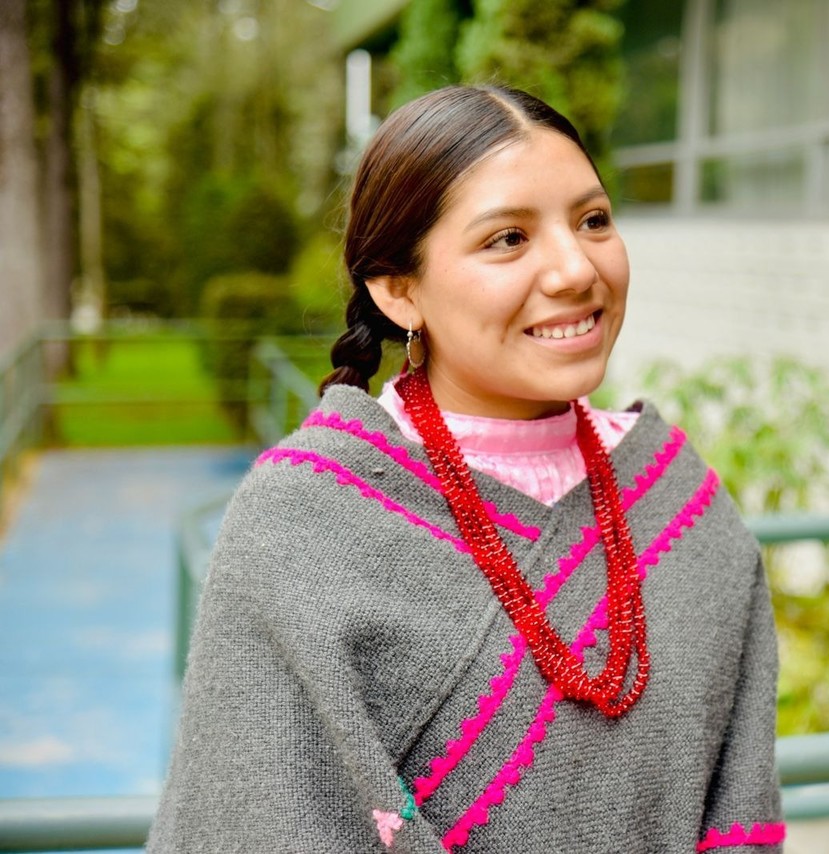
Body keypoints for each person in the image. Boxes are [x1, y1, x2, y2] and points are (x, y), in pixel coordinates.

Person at [148, 85, 784, 853]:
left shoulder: (681, 504)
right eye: (508, 239)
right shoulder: (302, 524)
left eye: (594, 220)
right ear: (398, 289)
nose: (575, 269)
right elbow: (260, 817)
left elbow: (741, 799)